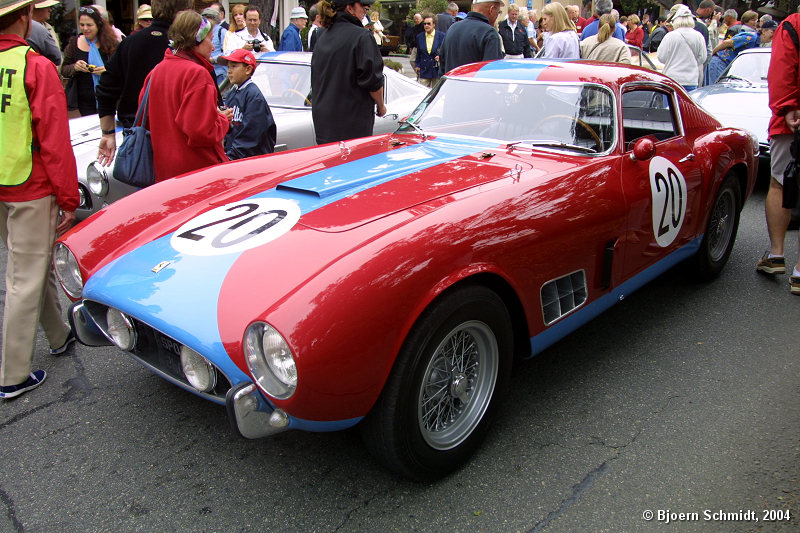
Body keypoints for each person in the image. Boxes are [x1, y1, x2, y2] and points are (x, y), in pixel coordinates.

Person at [0, 0, 79, 400]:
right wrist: (68, 197)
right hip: (29, 185)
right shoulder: (34, 65)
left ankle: (59, 333)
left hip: (4, 179)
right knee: (24, 277)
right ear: (25, 16)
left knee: (30, 266)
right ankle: (11, 375)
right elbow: (54, 140)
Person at [96, 0, 190, 166]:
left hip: (136, 135)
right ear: (182, 12)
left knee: (144, 190)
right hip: (176, 139)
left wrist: (108, 133)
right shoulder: (186, 47)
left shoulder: (129, 43)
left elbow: (105, 89)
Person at [143, 9, 230, 181]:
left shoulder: (157, 71)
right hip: (198, 173)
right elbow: (200, 132)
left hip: (164, 171)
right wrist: (222, 119)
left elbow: (144, 120)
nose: (213, 47)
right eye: (210, 40)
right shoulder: (197, 74)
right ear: (196, 39)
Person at [758, 12, 800, 293]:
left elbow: (782, 69)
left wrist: (787, 107)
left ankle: (776, 254)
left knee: (779, 182)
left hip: (791, 120)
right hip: (791, 116)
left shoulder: (794, 24)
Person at [311, 0, 385, 144]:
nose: (365, 10)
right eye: (362, 7)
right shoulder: (362, 36)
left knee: (332, 165)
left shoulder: (322, 36)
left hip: (324, 124)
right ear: (350, 8)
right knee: (355, 164)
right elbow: (373, 82)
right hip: (352, 124)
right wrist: (381, 106)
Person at [61, 5, 118, 116]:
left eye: (89, 25)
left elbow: (122, 68)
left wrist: (107, 70)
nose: (85, 29)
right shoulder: (74, 43)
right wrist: (75, 67)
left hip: (108, 98)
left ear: (98, 25)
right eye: (82, 25)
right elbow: (64, 69)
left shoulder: (111, 43)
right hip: (83, 103)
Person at [219, 49, 276, 159]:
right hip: (236, 157)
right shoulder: (232, 93)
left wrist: (230, 158)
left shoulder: (254, 96)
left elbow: (251, 137)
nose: (229, 71)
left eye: (234, 66)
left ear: (248, 69)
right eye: (228, 67)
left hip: (251, 160)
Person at [438, 0, 503, 75]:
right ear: (491, 9)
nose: (497, 16)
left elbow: (442, 67)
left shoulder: (452, 28)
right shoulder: (490, 33)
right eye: (498, 12)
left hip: (451, 84)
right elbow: (491, 73)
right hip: (475, 86)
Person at [658, 4, 706, 91]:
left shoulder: (670, 36)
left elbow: (661, 57)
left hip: (672, 79)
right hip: (691, 80)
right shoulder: (699, 36)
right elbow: (702, 58)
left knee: (670, 104)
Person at [706, 10, 760, 85]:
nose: (756, 23)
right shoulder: (748, 35)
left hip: (727, 65)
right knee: (715, 89)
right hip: (721, 61)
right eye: (753, 20)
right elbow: (725, 43)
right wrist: (711, 54)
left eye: (756, 20)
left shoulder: (750, 33)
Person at [413, 13, 444, 87]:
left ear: (434, 24)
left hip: (436, 70)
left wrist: (441, 56)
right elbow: (419, 53)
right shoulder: (420, 37)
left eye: (429, 24)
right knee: (422, 92)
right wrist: (417, 65)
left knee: (436, 94)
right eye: (425, 24)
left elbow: (445, 51)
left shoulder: (442, 36)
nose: (426, 25)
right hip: (424, 69)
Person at [26, 0, 59, 65]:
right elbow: (56, 57)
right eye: (47, 7)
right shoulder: (25, 30)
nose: (50, 10)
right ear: (35, 9)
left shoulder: (48, 27)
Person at [204, 5, 227, 84]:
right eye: (204, 17)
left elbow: (227, 53)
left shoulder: (222, 32)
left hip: (220, 73)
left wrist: (213, 59)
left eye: (209, 17)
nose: (206, 20)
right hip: (206, 71)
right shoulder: (202, 32)